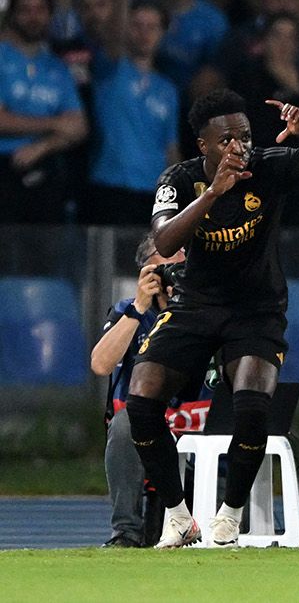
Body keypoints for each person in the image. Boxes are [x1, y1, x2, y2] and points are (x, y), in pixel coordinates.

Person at [130, 89, 299, 548]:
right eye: (226, 141)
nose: (239, 147)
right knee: (141, 401)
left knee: (254, 407)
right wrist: (215, 192)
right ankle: (178, 516)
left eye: (245, 137)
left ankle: (230, 514)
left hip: (257, 309)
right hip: (196, 305)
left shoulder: (268, 164)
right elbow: (163, 240)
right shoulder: (178, 180)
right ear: (203, 146)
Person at [90, 234, 208, 548]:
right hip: (149, 422)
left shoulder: (211, 311)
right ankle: (125, 533)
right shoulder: (130, 311)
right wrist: (139, 307)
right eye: (164, 269)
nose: (174, 279)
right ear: (147, 274)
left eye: (181, 269)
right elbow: (101, 364)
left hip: (199, 425)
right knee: (126, 422)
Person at [84, 0, 179, 225]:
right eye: (137, 25)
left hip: (153, 190)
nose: (144, 33)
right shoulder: (110, 69)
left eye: (152, 27)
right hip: (109, 184)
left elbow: (170, 148)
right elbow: (112, 40)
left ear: (163, 33)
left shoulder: (168, 89)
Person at [0, 0, 87, 223]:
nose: (33, 17)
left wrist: (42, 146)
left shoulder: (57, 68)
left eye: (40, 10)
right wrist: (54, 124)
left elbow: (79, 127)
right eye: (25, 10)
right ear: (12, 15)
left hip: (44, 167)